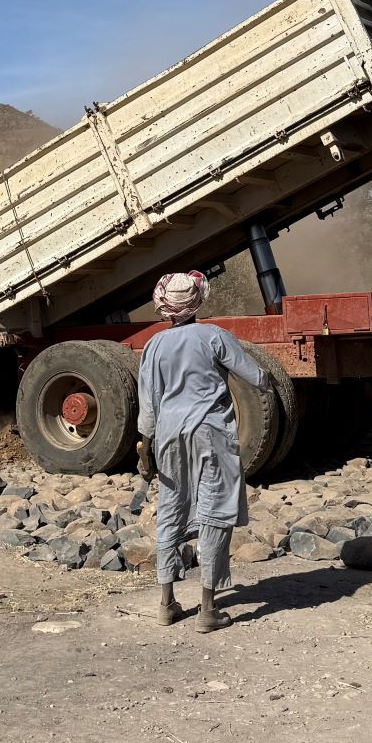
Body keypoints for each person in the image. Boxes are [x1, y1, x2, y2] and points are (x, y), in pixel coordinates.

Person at [136, 270, 269, 633]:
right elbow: (256, 378)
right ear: (198, 303)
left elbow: (147, 406)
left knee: (171, 512)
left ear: (164, 306)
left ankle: (166, 605)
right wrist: (269, 380)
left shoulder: (153, 347)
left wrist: (145, 449)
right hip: (211, 435)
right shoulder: (214, 337)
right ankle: (208, 612)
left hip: (167, 437)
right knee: (214, 513)